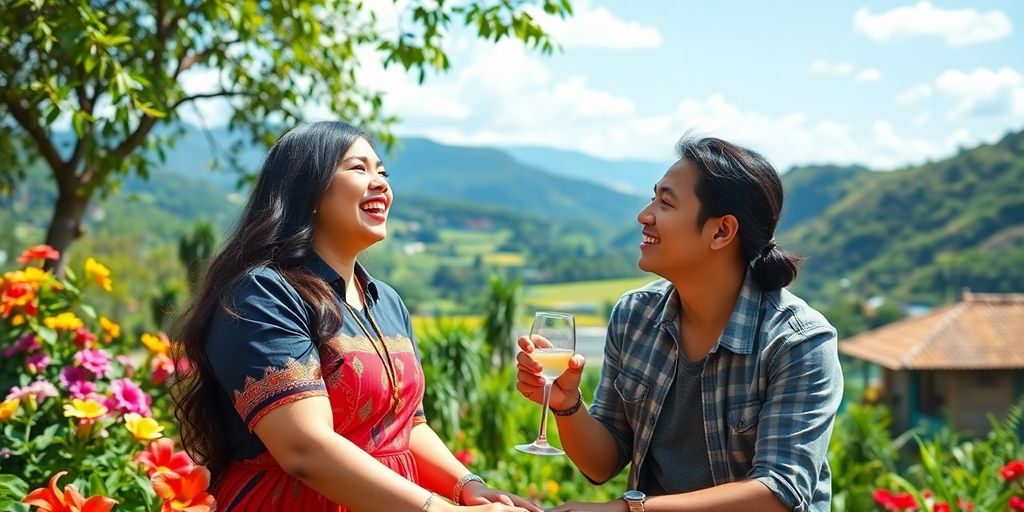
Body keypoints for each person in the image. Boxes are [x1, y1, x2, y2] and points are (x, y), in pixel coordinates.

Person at [173, 121, 539, 512]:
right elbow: (304, 449)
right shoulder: (264, 294)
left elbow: (407, 427)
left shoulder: (387, 302)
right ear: (308, 189)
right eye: (358, 168)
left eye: (383, 172)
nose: (380, 182)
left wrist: (469, 488)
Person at [515, 136, 843, 512]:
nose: (644, 215)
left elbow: (779, 492)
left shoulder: (797, 342)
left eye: (665, 203)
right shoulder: (634, 316)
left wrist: (626, 510)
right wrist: (567, 404)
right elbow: (601, 464)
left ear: (721, 232)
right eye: (653, 197)